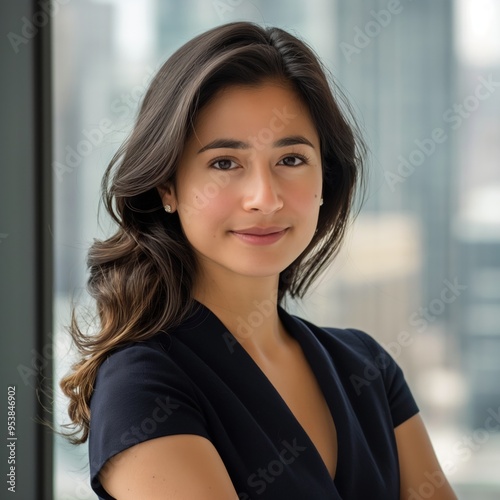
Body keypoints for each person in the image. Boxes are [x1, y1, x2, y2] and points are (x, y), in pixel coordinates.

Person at [60, 21, 457, 500]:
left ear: (325, 177)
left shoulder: (367, 367)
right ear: (167, 186)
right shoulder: (144, 388)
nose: (264, 199)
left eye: (290, 159)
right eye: (225, 163)